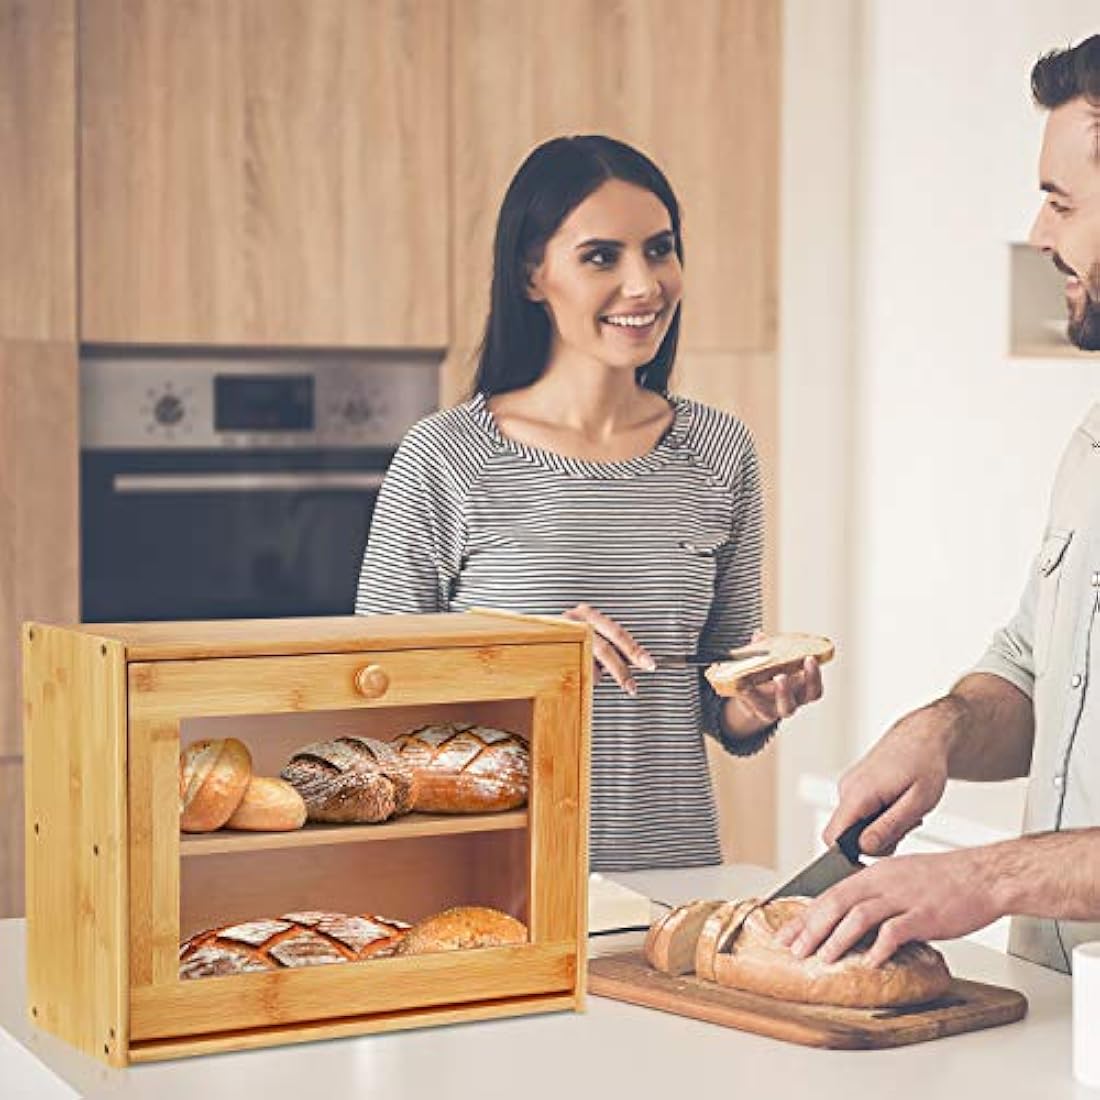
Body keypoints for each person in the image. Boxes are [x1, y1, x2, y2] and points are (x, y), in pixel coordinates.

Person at [356, 135, 824, 871]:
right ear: (532, 275)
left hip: (672, 880)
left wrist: (754, 705)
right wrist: (521, 652)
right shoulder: (446, 456)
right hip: (500, 886)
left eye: (660, 249)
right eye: (601, 257)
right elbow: (370, 696)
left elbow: (716, 692)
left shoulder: (719, 451)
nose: (644, 285)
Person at [776, 36, 1100, 973]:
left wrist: (986, 880)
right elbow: (1036, 678)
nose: (1039, 234)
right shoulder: (1090, 443)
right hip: (1057, 1018)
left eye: (1061, 201)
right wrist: (942, 731)